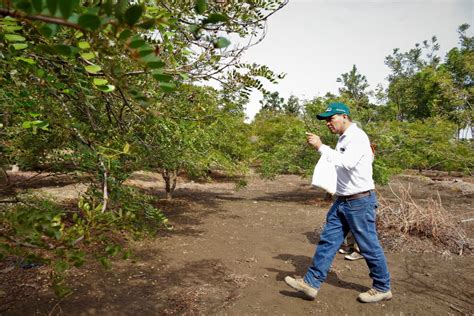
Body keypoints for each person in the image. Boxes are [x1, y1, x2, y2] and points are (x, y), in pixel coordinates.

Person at [284, 102, 392, 303]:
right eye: (326, 120)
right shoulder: (345, 138)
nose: (328, 123)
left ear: (344, 116)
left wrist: (320, 147)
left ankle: (382, 287)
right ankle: (311, 283)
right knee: (328, 241)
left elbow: (347, 162)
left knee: (368, 246)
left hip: (359, 201)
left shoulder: (357, 137)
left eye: (331, 118)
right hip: (343, 200)